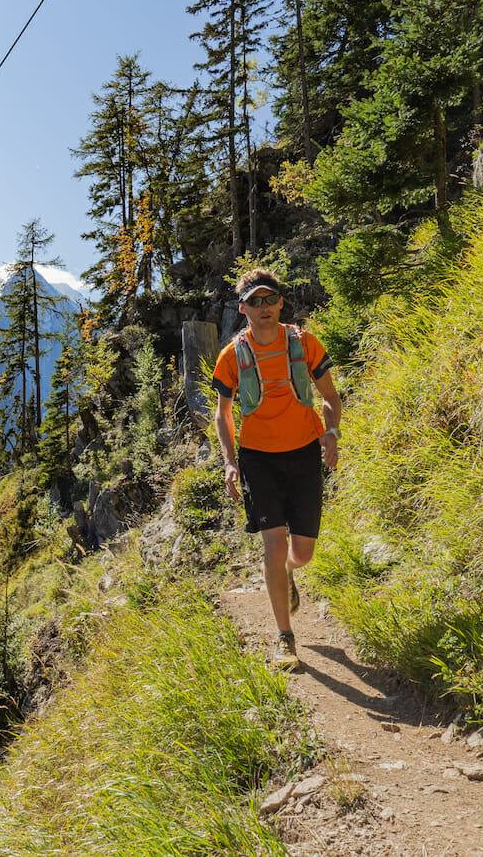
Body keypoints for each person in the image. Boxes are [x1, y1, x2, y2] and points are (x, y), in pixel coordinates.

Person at [212, 269, 341, 670]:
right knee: (273, 544)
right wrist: (231, 462)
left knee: (301, 552)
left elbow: (331, 396)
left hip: (304, 453)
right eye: (255, 301)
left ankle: (287, 573)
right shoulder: (232, 355)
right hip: (258, 459)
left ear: (281, 303)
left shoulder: (304, 344)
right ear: (243, 308)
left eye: (270, 299)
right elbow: (223, 415)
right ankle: (285, 638)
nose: (263, 307)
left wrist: (332, 432)